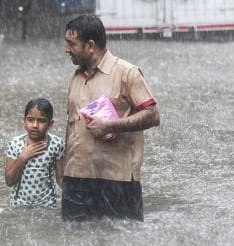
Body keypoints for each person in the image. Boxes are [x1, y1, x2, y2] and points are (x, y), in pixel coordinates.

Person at [61, 14, 160, 221]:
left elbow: (152, 115)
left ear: (90, 45)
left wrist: (111, 125)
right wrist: (63, 171)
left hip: (118, 179)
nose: (66, 49)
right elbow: (72, 126)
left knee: (121, 239)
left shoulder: (127, 73)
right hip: (76, 178)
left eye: (71, 44)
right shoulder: (74, 77)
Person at [5, 98, 65, 208]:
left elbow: (60, 179)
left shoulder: (57, 144)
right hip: (19, 204)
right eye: (30, 120)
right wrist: (22, 158)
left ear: (50, 124)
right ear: (24, 121)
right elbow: (9, 181)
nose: (35, 125)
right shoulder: (15, 144)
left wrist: (77, 197)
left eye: (42, 120)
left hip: (47, 205)